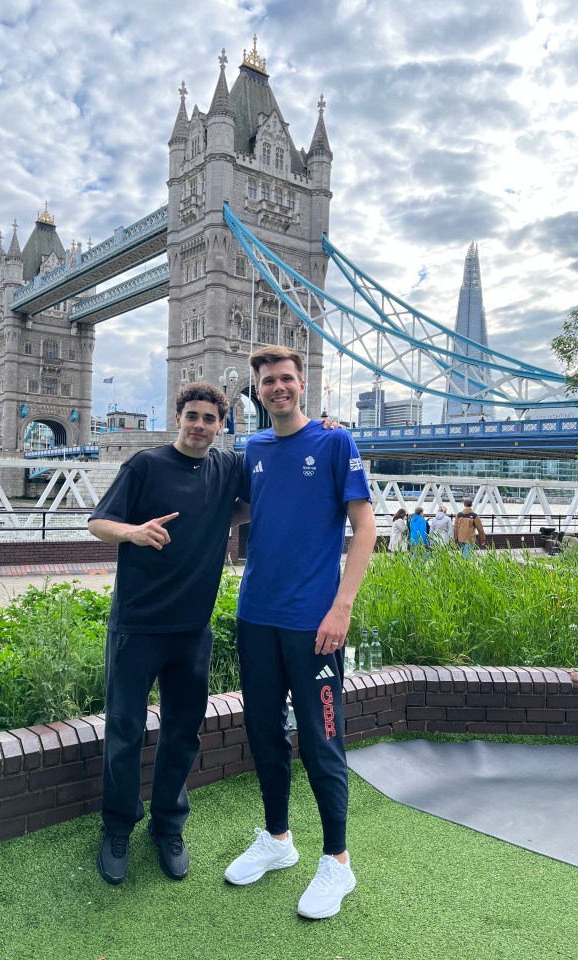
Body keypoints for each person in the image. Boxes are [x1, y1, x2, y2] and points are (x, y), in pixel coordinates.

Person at [223, 345, 376, 921]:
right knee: (263, 732)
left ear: (302, 383)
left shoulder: (335, 442)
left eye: (286, 378)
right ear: (257, 390)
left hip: (313, 621)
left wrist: (342, 608)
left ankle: (337, 861)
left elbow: (365, 528)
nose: (278, 388)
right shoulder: (252, 448)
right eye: (268, 381)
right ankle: (278, 840)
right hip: (255, 613)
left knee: (319, 739)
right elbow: (237, 509)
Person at [87, 382, 247, 885]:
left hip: (191, 628)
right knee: (124, 731)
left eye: (209, 419)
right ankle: (117, 827)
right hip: (137, 624)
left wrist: (325, 430)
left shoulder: (227, 468)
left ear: (222, 425)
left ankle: (168, 826)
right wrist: (133, 532)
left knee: (183, 733)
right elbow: (97, 522)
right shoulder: (145, 465)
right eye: (192, 416)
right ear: (178, 417)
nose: (200, 425)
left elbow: (265, 484)